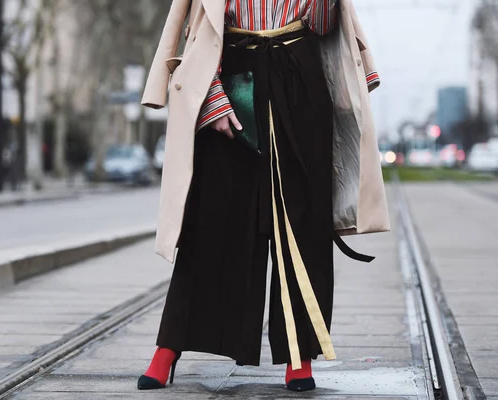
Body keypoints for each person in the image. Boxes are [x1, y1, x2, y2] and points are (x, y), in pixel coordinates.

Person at [138, 0, 390, 392]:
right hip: (231, 78)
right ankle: (168, 348)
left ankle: (299, 353)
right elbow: (199, 27)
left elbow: (322, 25)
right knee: (210, 222)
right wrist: (213, 99)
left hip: (300, 83)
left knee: (305, 222)